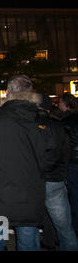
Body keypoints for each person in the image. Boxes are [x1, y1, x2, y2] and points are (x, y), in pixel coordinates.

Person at [0, 75, 56, 251]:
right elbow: (52, 155)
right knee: (28, 243)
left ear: (8, 92)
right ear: (30, 94)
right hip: (30, 199)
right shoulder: (42, 121)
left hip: (1, 200)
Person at [38, 95, 78, 251]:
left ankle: (48, 240)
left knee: (30, 225)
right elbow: (65, 152)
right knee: (64, 226)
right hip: (55, 178)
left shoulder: (28, 127)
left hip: (35, 179)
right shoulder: (58, 126)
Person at [59, 92, 78, 237]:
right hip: (72, 161)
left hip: (72, 162)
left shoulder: (65, 122)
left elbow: (62, 146)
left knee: (74, 196)